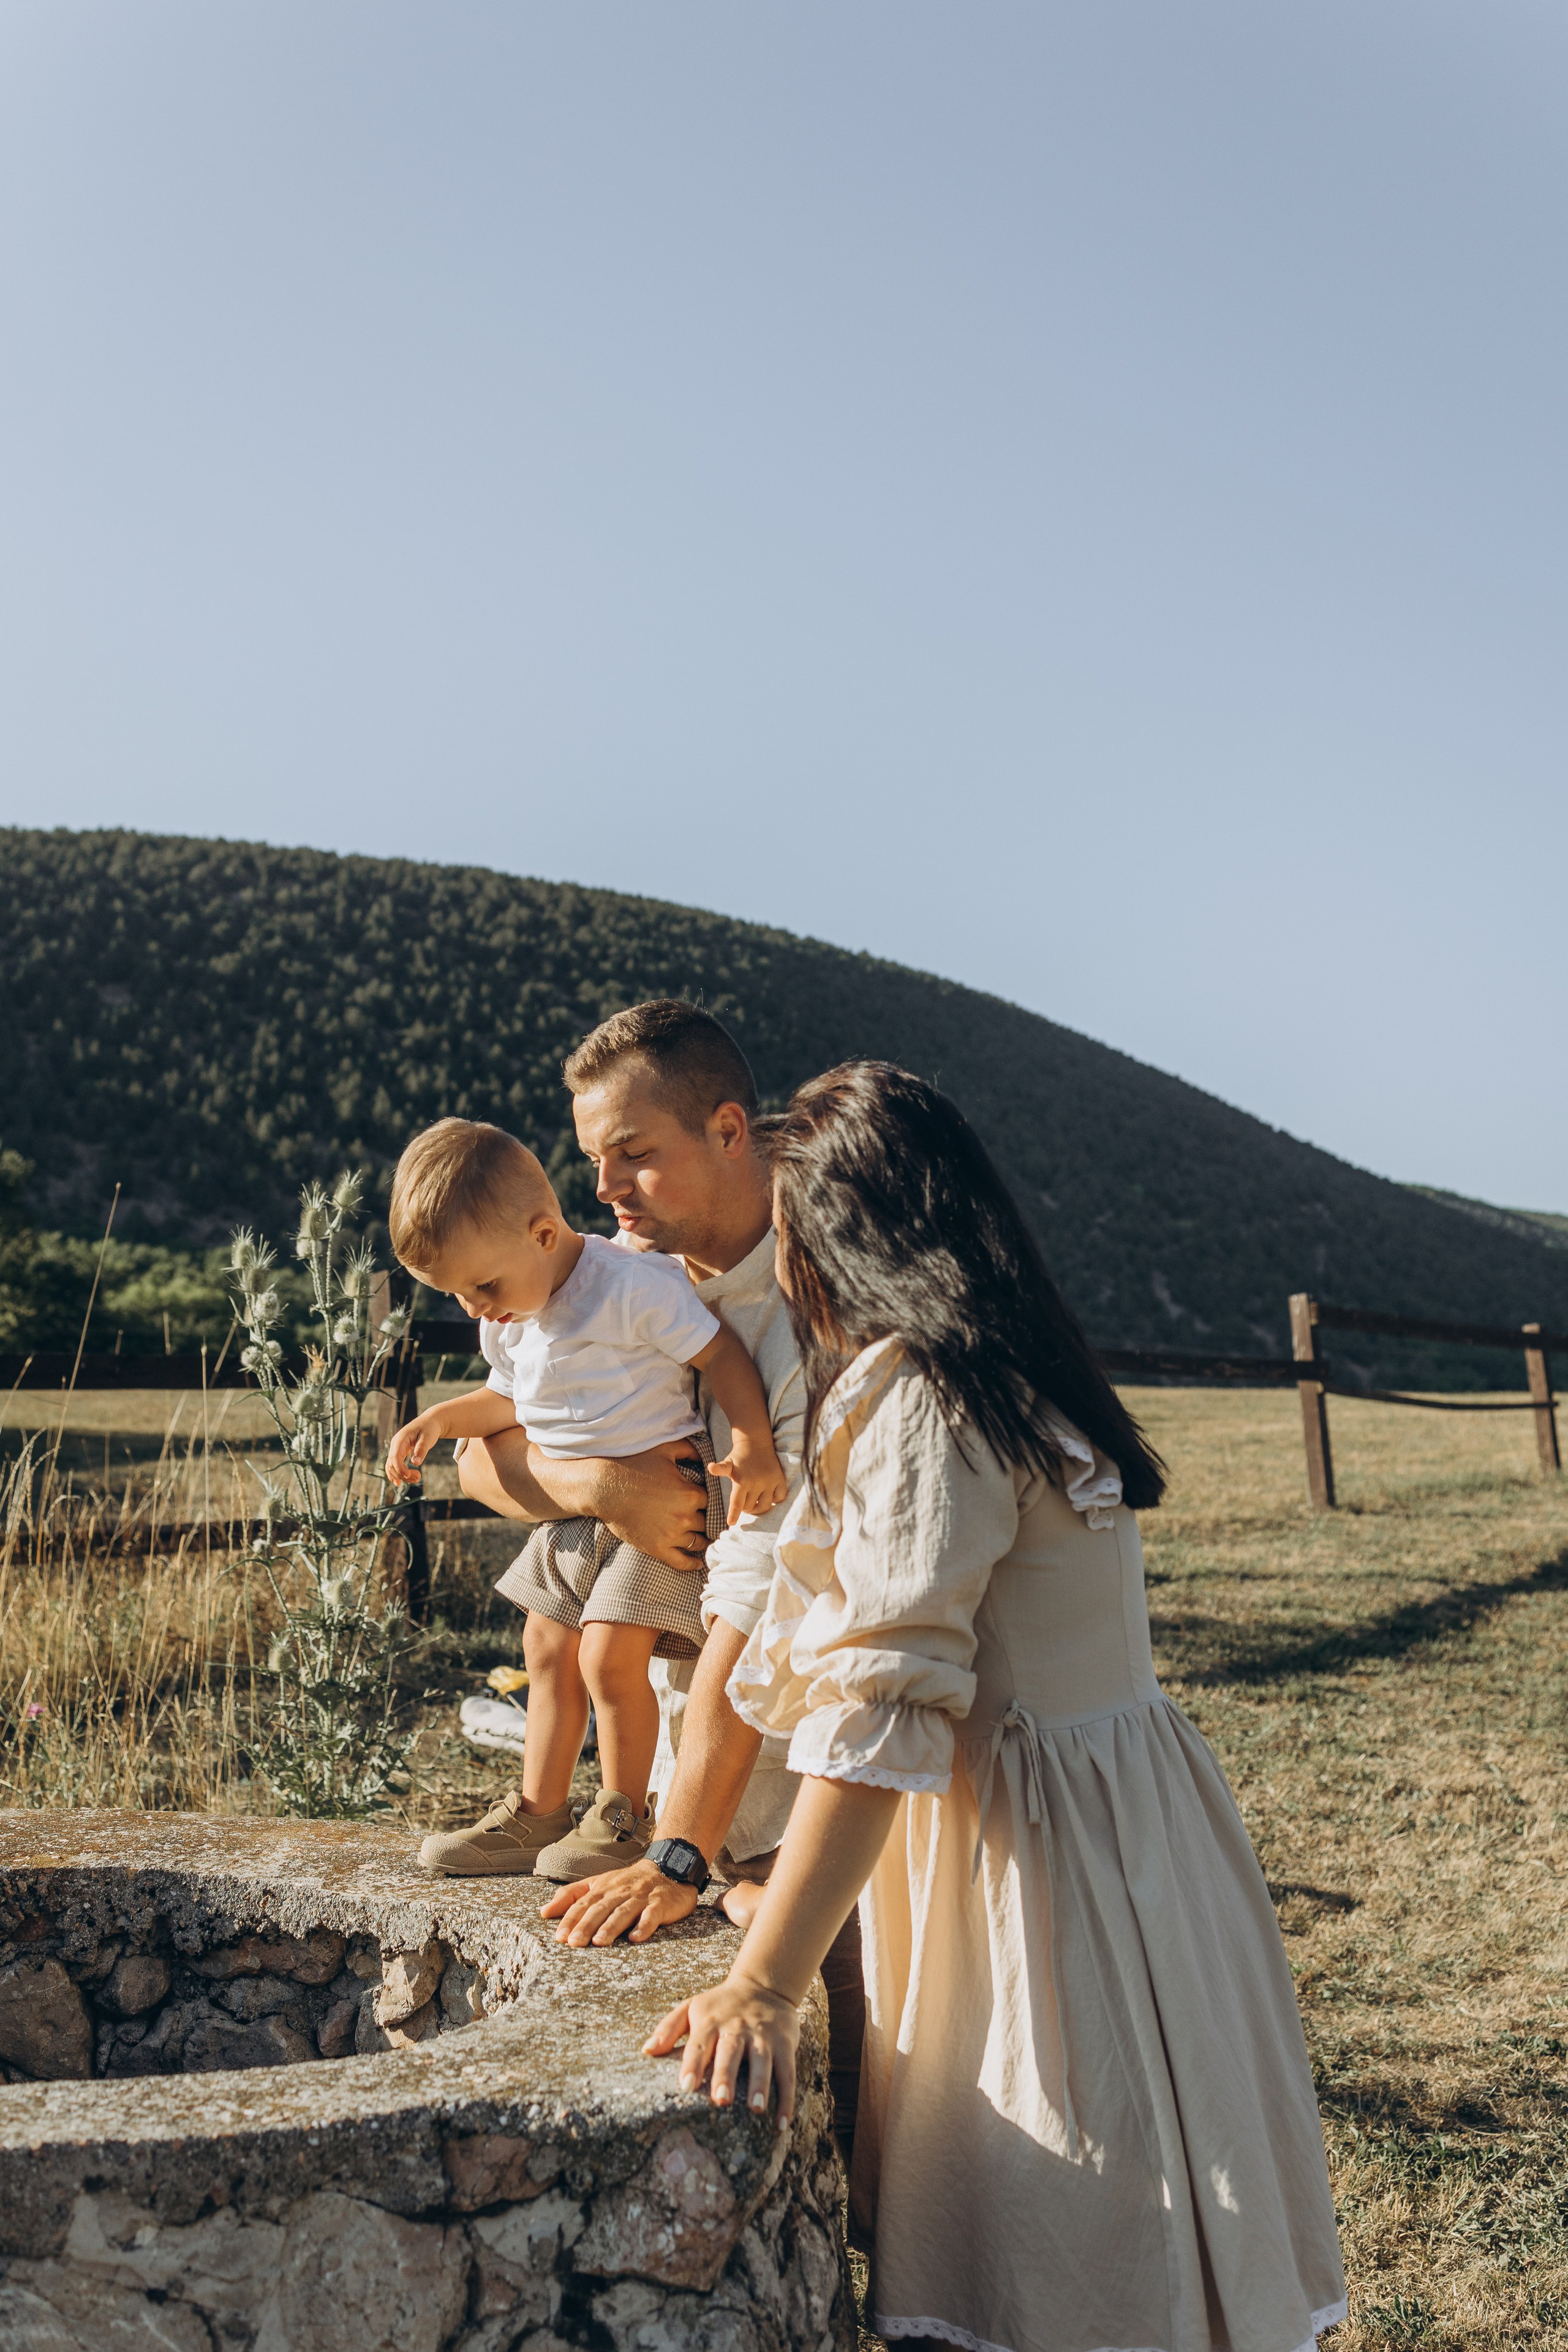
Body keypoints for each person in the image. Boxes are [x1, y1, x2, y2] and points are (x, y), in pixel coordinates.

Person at [647, 1061, 1348, 2352]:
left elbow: (880, 1706)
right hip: (1131, 1826)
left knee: (1068, 2207)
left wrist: (764, 1982)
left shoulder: (922, 1398)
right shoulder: (1015, 1367)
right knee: (1155, 2166)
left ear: (836, 1240)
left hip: (1035, 1869)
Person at [418, 1002, 865, 2157]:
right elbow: (488, 1463)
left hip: (789, 1781)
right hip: (679, 1767)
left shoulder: (817, 1302)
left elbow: (768, 1587)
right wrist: (599, 1492)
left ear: (731, 1131)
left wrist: (686, 1846)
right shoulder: (626, 1272)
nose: (606, 1189)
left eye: (635, 1156)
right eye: (594, 1162)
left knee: (854, 2108)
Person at [386, 1115, 785, 1875]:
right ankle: (537, 1812)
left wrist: (752, 1443)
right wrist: (441, 1418)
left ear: (542, 1235)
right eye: (459, 1296)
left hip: (662, 1501)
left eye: (482, 1287)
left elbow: (722, 1353)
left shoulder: (630, 1285)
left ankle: (621, 1815)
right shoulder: (512, 1320)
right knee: (543, 1643)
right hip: (583, 1510)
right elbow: (506, 1399)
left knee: (608, 1656)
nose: (477, 1309)